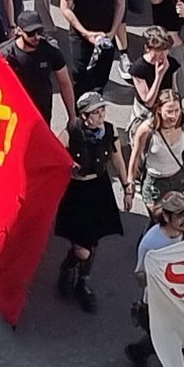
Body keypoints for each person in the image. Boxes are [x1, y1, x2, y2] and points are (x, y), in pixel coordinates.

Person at [54, 91, 127, 312]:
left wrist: (127, 187)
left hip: (99, 188)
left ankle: (82, 282)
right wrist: (67, 165)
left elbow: (116, 158)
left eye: (102, 110)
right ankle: (67, 268)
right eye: (96, 112)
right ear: (84, 115)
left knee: (92, 241)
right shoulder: (72, 131)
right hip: (77, 192)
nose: (101, 115)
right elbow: (55, 152)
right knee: (81, 248)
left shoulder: (109, 131)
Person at [124, 191, 184, 367]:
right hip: (157, 302)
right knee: (164, 341)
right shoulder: (151, 242)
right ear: (166, 217)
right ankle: (139, 354)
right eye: (180, 215)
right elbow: (140, 276)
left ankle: (139, 352)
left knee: (170, 339)